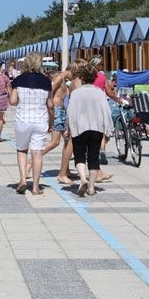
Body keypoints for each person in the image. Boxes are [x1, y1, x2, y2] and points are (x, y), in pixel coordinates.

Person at [66, 60, 114, 197]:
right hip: (96, 128)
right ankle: (92, 187)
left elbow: (70, 111)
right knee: (93, 157)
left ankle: (82, 179)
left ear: (81, 77)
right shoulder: (99, 93)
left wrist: (68, 128)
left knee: (80, 155)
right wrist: (108, 129)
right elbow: (106, 111)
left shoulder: (76, 93)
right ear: (94, 78)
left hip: (80, 128)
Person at [9, 52, 53, 195]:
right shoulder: (46, 81)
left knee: (22, 150)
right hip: (40, 120)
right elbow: (50, 104)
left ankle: (23, 179)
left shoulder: (18, 80)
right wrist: (51, 121)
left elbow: (12, 101)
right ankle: (35, 187)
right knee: (37, 153)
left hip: (23, 119)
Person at [42, 67, 76, 186]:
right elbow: (49, 92)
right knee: (55, 142)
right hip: (57, 111)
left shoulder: (63, 80)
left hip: (61, 111)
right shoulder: (59, 78)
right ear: (70, 70)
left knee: (67, 140)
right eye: (74, 74)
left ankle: (65, 169)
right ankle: (32, 160)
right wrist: (50, 107)